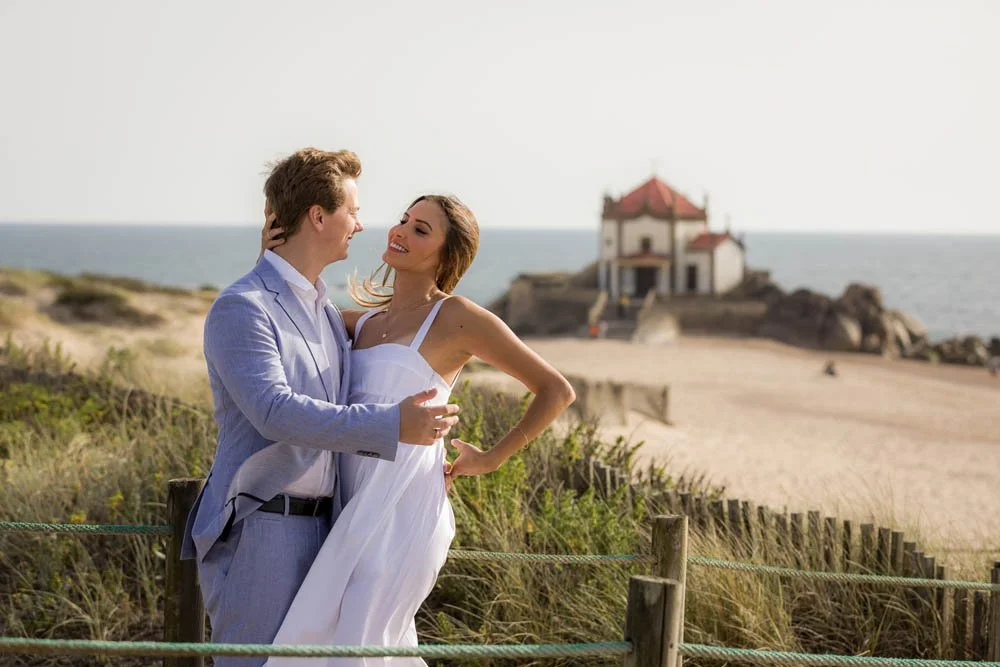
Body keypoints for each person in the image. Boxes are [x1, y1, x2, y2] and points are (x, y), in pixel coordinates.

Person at [259, 194, 576, 666]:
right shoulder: (359, 322)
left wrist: (490, 458)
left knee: (359, 652)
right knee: (321, 650)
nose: (400, 231)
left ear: (446, 255)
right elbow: (280, 319)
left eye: (421, 229)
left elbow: (556, 390)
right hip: (346, 510)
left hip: (405, 510)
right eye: (404, 220)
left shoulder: (456, 317)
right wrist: (268, 257)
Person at [180, 148, 459, 667]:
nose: (360, 224)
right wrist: (393, 426)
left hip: (329, 534)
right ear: (318, 216)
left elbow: (385, 351)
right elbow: (275, 412)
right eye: (352, 211)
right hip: (263, 532)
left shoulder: (327, 312)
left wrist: (420, 468)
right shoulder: (242, 308)